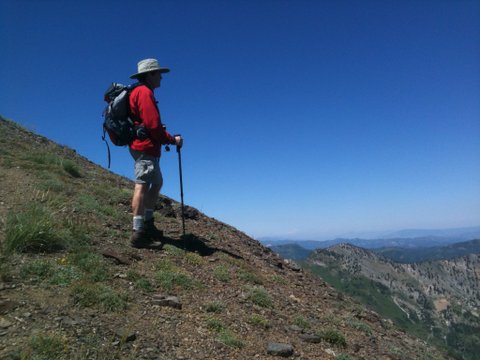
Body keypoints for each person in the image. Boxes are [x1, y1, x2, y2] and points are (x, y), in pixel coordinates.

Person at [128, 58, 182, 248]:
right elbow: (152, 125)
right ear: (150, 74)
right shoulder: (144, 92)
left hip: (145, 146)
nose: (161, 77)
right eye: (158, 73)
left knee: (156, 182)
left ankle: (148, 224)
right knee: (142, 185)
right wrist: (171, 139)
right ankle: (138, 232)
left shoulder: (140, 92)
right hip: (144, 147)